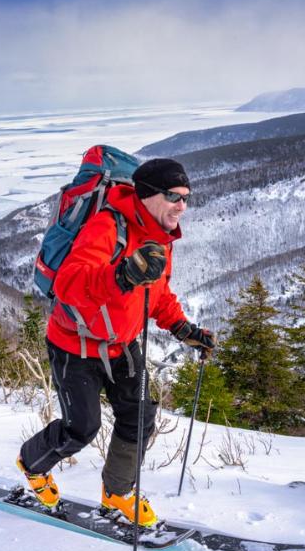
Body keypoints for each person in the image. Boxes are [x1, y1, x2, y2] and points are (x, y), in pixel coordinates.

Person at [17, 158, 216, 526]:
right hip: (74, 345)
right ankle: (32, 464)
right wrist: (122, 275)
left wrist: (183, 329)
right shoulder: (107, 227)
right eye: (174, 196)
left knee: (139, 418)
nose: (182, 206)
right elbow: (68, 284)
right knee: (82, 428)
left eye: (186, 197)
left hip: (122, 345)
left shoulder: (161, 237)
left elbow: (157, 294)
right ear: (147, 195)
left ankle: (116, 494)